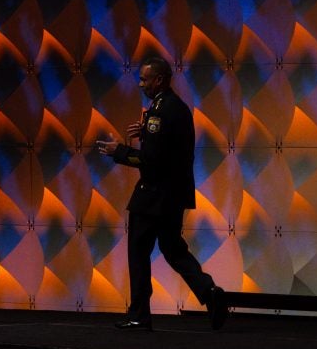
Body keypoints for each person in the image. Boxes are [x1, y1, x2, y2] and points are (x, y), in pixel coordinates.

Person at [96, 56, 227, 331]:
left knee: (138, 253)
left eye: (145, 79)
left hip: (153, 195)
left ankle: (139, 315)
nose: (141, 84)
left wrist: (118, 151)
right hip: (174, 195)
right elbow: (172, 150)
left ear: (159, 80)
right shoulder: (176, 108)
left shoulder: (159, 111)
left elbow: (152, 160)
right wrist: (145, 134)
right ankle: (209, 292)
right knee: (173, 249)